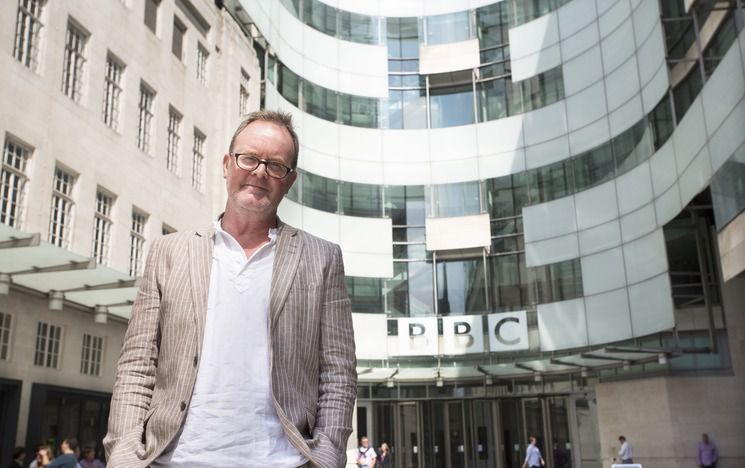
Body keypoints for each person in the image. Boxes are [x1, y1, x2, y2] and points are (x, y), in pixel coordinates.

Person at [104, 110, 357, 468]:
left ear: (290, 180)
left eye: (276, 165)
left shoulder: (322, 258)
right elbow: (137, 366)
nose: (259, 172)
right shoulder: (168, 252)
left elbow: (338, 372)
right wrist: (124, 455)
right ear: (227, 164)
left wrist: (327, 455)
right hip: (173, 460)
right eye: (249, 158)